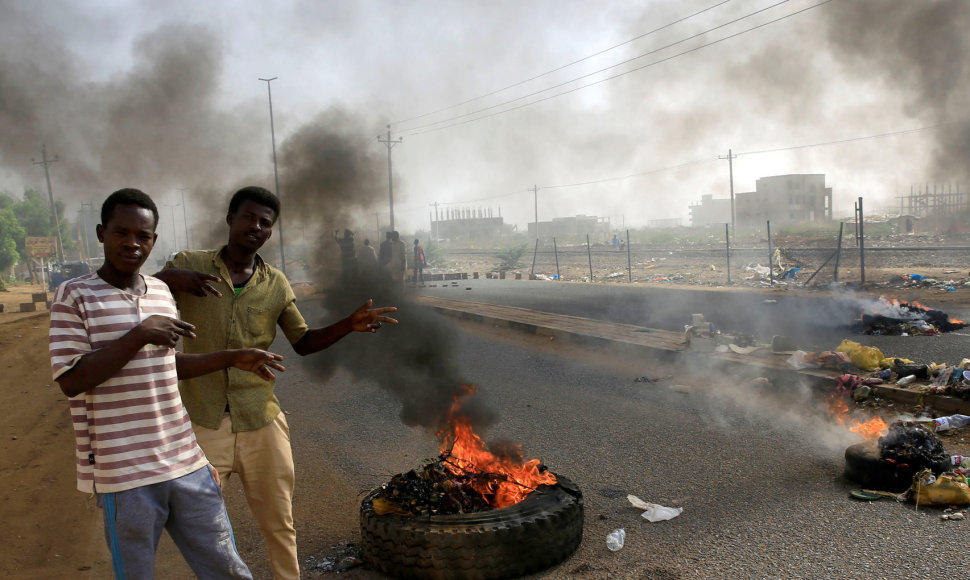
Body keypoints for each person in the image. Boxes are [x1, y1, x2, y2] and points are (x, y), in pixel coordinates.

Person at [155, 186, 397, 580]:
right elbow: (142, 295)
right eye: (248, 217)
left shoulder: (276, 284)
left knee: (279, 525)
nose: (256, 226)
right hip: (202, 423)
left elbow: (303, 343)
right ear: (230, 219)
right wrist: (168, 277)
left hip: (262, 423)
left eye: (265, 223)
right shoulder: (189, 265)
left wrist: (347, 326)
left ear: (270, 232)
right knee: (198, 525)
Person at [49, 188, 287, 580]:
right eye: (121, 233)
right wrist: (140, 333)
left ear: (153, 241)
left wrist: (232, 357)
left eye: (142, 236)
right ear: (101, 233)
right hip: (124, 476)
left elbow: (166, 368)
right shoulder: (73, 296)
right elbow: (72, 381)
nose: (132, 243)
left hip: (185, 462)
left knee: (229, 570)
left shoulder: (160, 291)